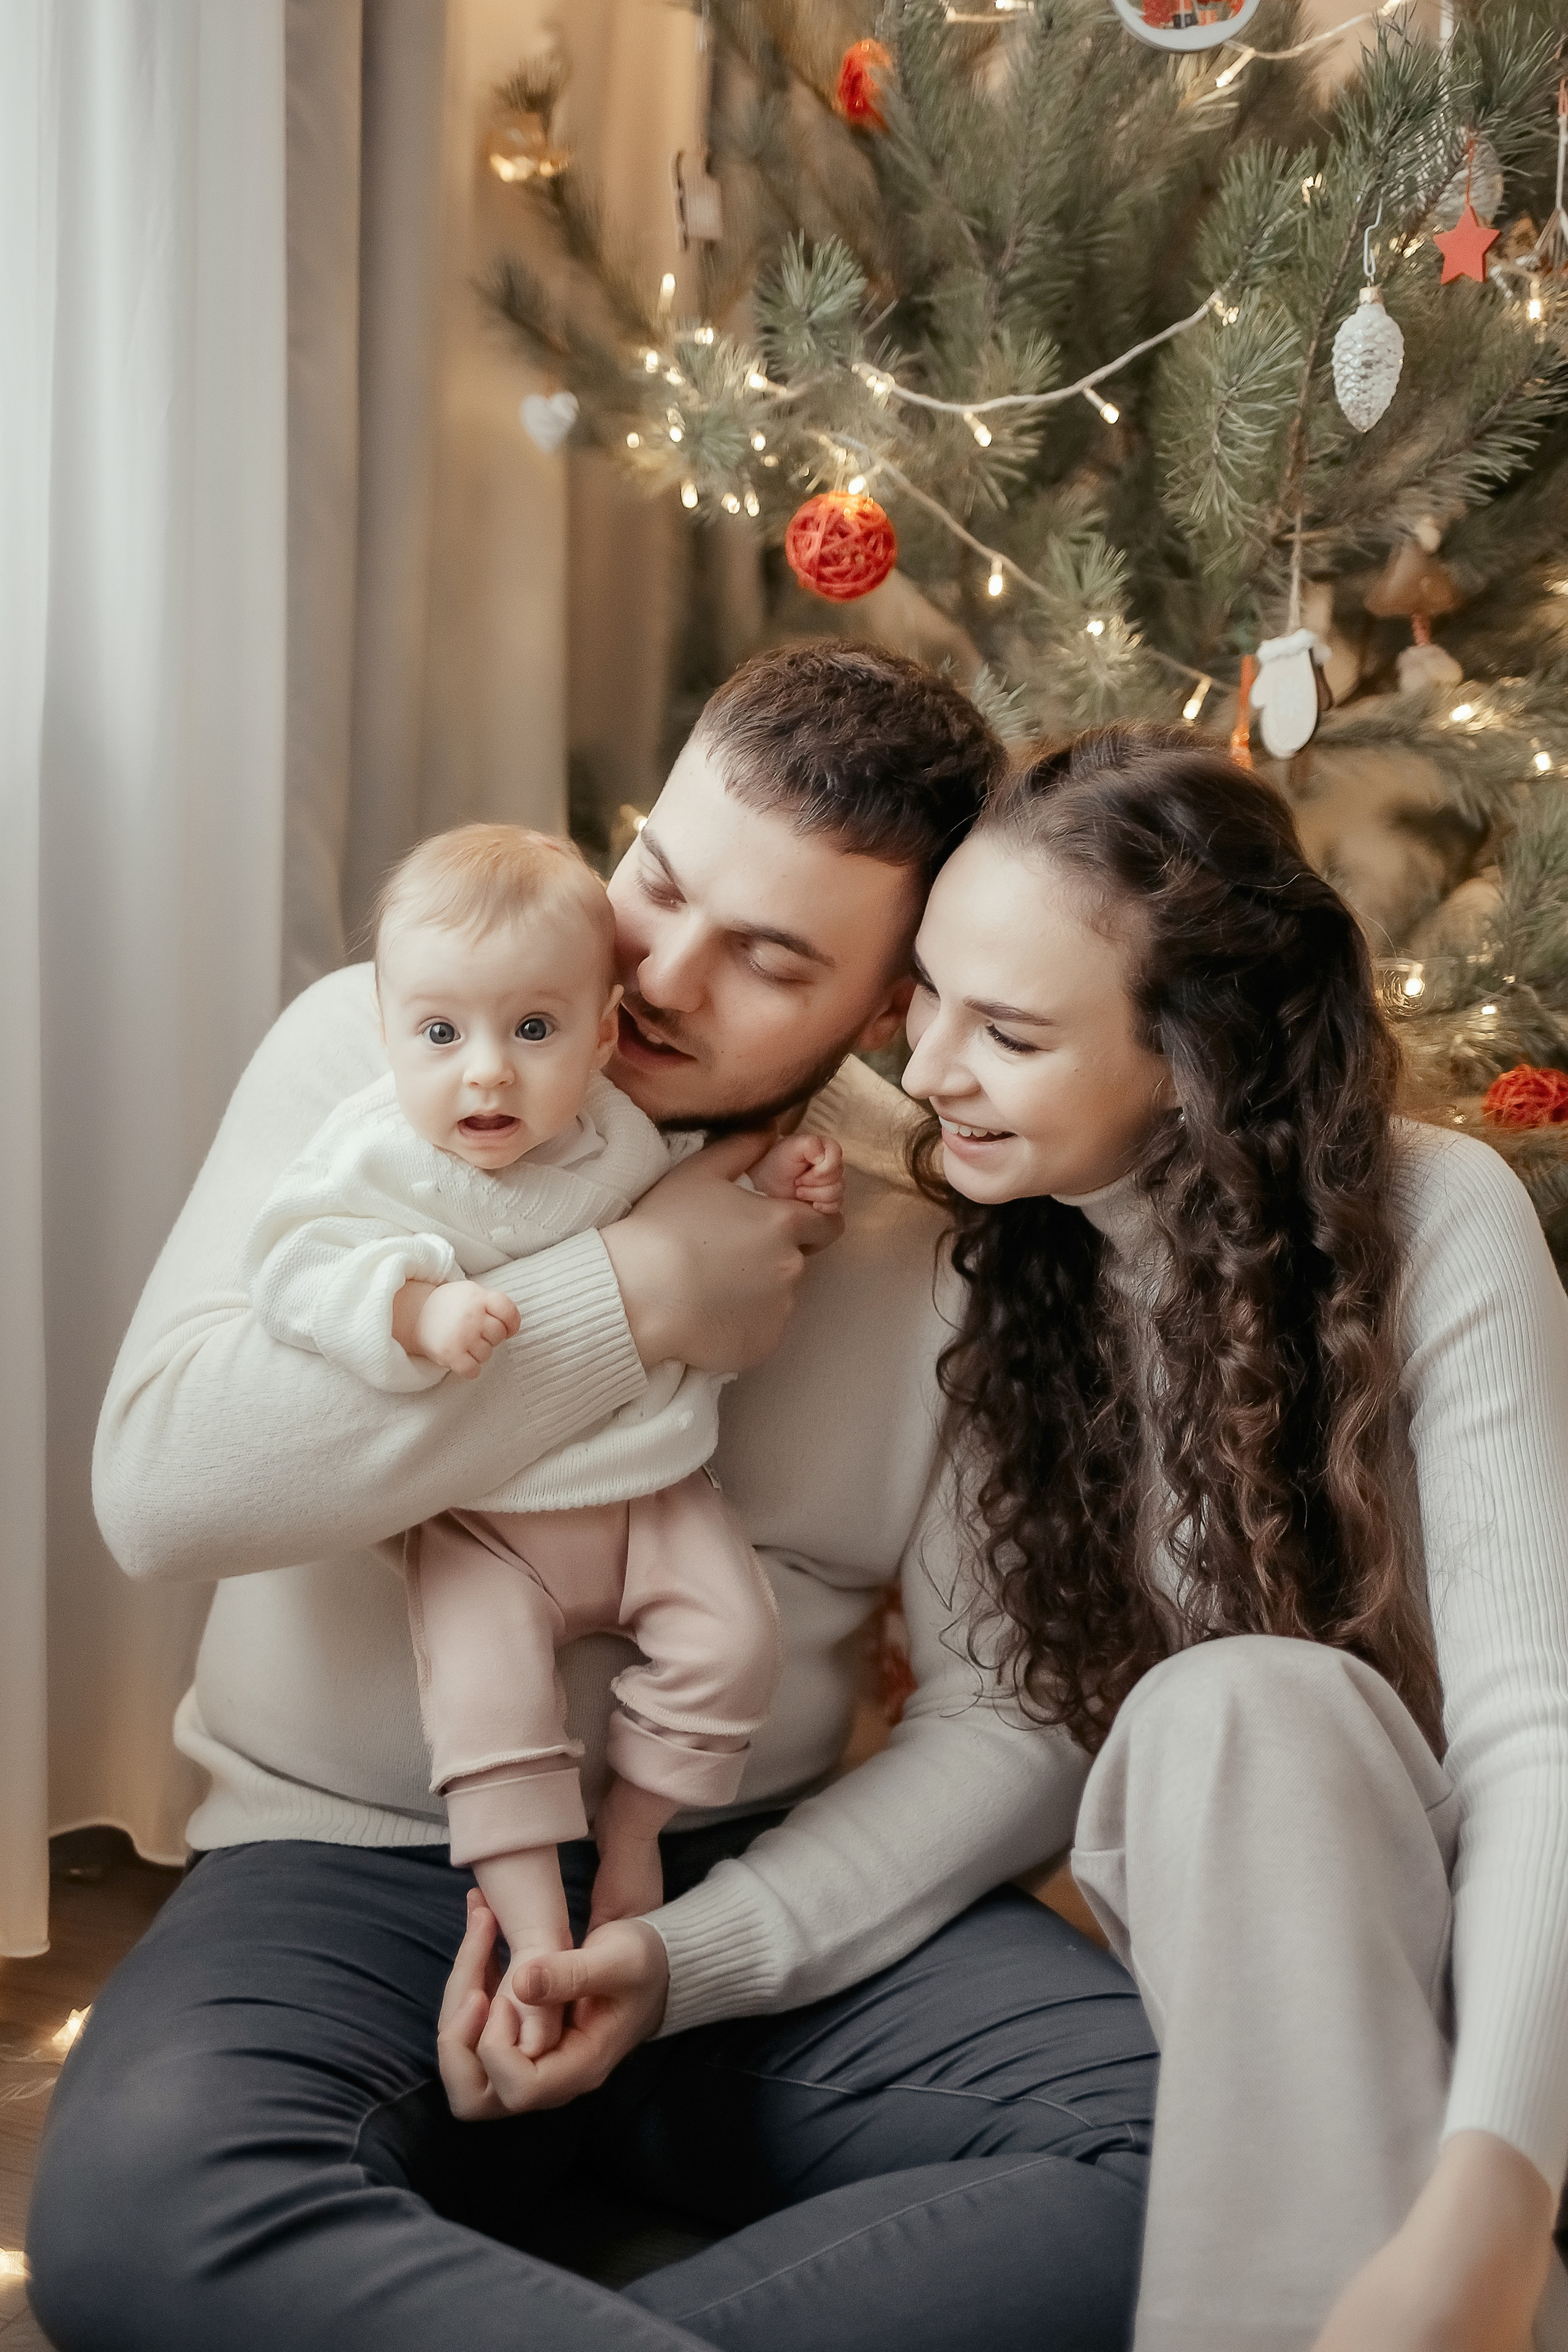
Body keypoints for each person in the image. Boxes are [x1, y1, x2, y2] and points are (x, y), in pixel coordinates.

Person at [28, 644, 1158, 2352]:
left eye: (770, 958)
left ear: (886, 1007)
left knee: (1207, 2149)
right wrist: (625, 1299)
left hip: (751, 1885)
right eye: (656, 884)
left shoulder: (944, 1227)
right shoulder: (388, 1043)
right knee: (134, 2224)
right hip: (345, 1871)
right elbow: (161, 1493)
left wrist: (702, 1954)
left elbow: (1012, 1715)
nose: (658, 981)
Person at [899, 722, 1568, 2352]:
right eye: (924, 991)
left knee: (1254, 1700)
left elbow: (1534, 1742)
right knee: (1226, 1711)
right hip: (1278, 1983)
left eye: (1006, 1031)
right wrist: (685, 1955)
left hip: (1519, 1991)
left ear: (1192, 1058)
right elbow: (1004, 1735)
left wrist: (1493, 2195)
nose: (923, 1068)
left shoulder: (1440, 1216)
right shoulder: (1002, 1267)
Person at [246, 820, 840, 2054]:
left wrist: (786, 1197)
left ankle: (630, 1844)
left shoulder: (620, 1129)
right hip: (484, 1522)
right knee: (488, 1711)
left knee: (734, 1644)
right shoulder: (378, 1151)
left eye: (533, 1030)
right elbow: (296, 1265)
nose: (487, 1078)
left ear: (603, 1031)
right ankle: (535, 1936)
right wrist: (412, 1306)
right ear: (390, 1032)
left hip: (651, 1487)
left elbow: (708, 1230)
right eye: (440, 1034)